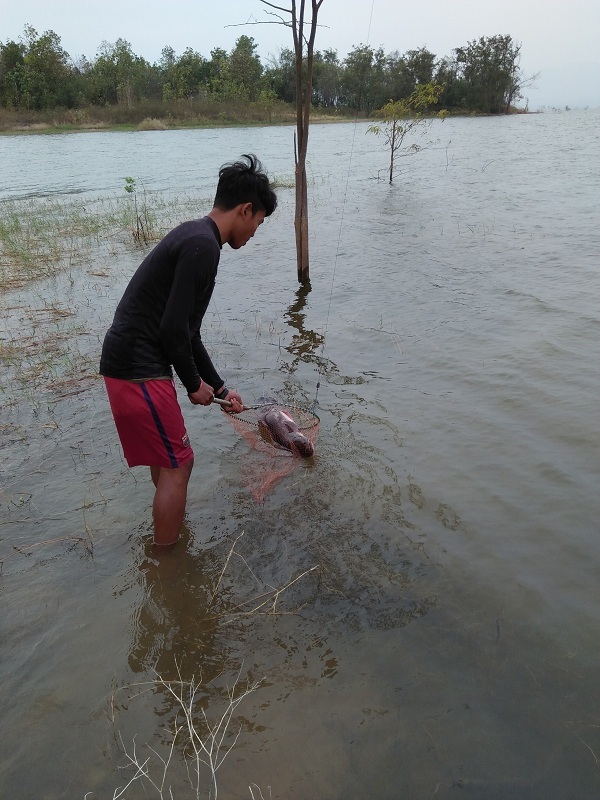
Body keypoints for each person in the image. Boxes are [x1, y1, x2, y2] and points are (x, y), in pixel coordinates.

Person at [100, 154, 277, 546]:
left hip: (129, 364)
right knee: (181, 463)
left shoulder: (195, 236)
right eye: (258, 223)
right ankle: (166, 562)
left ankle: (165, 537)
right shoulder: (203, 247)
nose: (253, 235)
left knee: (168, 462)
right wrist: (193, 383)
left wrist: (218, 388)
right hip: (138, 368)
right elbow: (171, 330)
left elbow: (189, 332)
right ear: (246, 210)